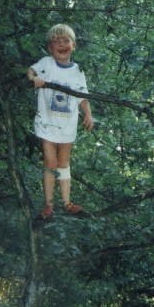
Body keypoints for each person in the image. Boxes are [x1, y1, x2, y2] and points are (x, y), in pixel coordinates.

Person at [27, 24, 94, 220]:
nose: (62, 45)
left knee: (63, 162)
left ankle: (67, 202)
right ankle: (48, 205)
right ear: (50, 47)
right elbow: (30, 71)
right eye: (57, 42)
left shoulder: (77, 70)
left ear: (74, 45)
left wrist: (88, 115)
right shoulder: (47, 63)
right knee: (50, 161)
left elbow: (82, 96)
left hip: (67, 125)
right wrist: (34, 79)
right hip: (47, 123)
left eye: (66, 41)